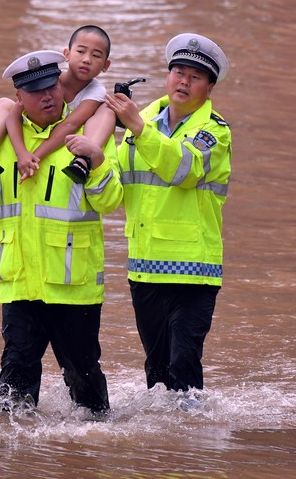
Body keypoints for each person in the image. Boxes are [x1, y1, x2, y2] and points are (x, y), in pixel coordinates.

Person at [0, 49, 124, 417]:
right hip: (20, 284)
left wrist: (95, 163)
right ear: (19, 97)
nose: (47, 96)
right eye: (35, 91)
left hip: (74, 286)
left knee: (87, 391)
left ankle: (89, 454)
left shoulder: (89, 133)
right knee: (12, 394)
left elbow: (112, 201)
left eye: (51, 86)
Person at [104, 32, 232, 399]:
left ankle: (191, 448)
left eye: (195, 76)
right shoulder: (138, 121)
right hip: (144, 267)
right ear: (167, 76)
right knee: (156, 373)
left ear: (209, 87)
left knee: (184, 368)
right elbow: (113, 183)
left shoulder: (214, 132)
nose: (184, 81)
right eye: (178, 72)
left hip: (194, 271)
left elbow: (185, 169)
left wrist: (138, 129)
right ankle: (162, 453)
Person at [0, 25, 116, 184]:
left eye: (96, 55)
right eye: (81, 51)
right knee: (3, 103)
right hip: (42, 126)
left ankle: (83, 160)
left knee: (108, 108)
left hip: (68, 134)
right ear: (67, 54)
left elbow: (70, 124)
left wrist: (35, 157)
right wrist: (21, 153)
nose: (86, 59)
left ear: (106, 65)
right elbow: (12, 116)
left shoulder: (96, 92)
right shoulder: (52, 78)